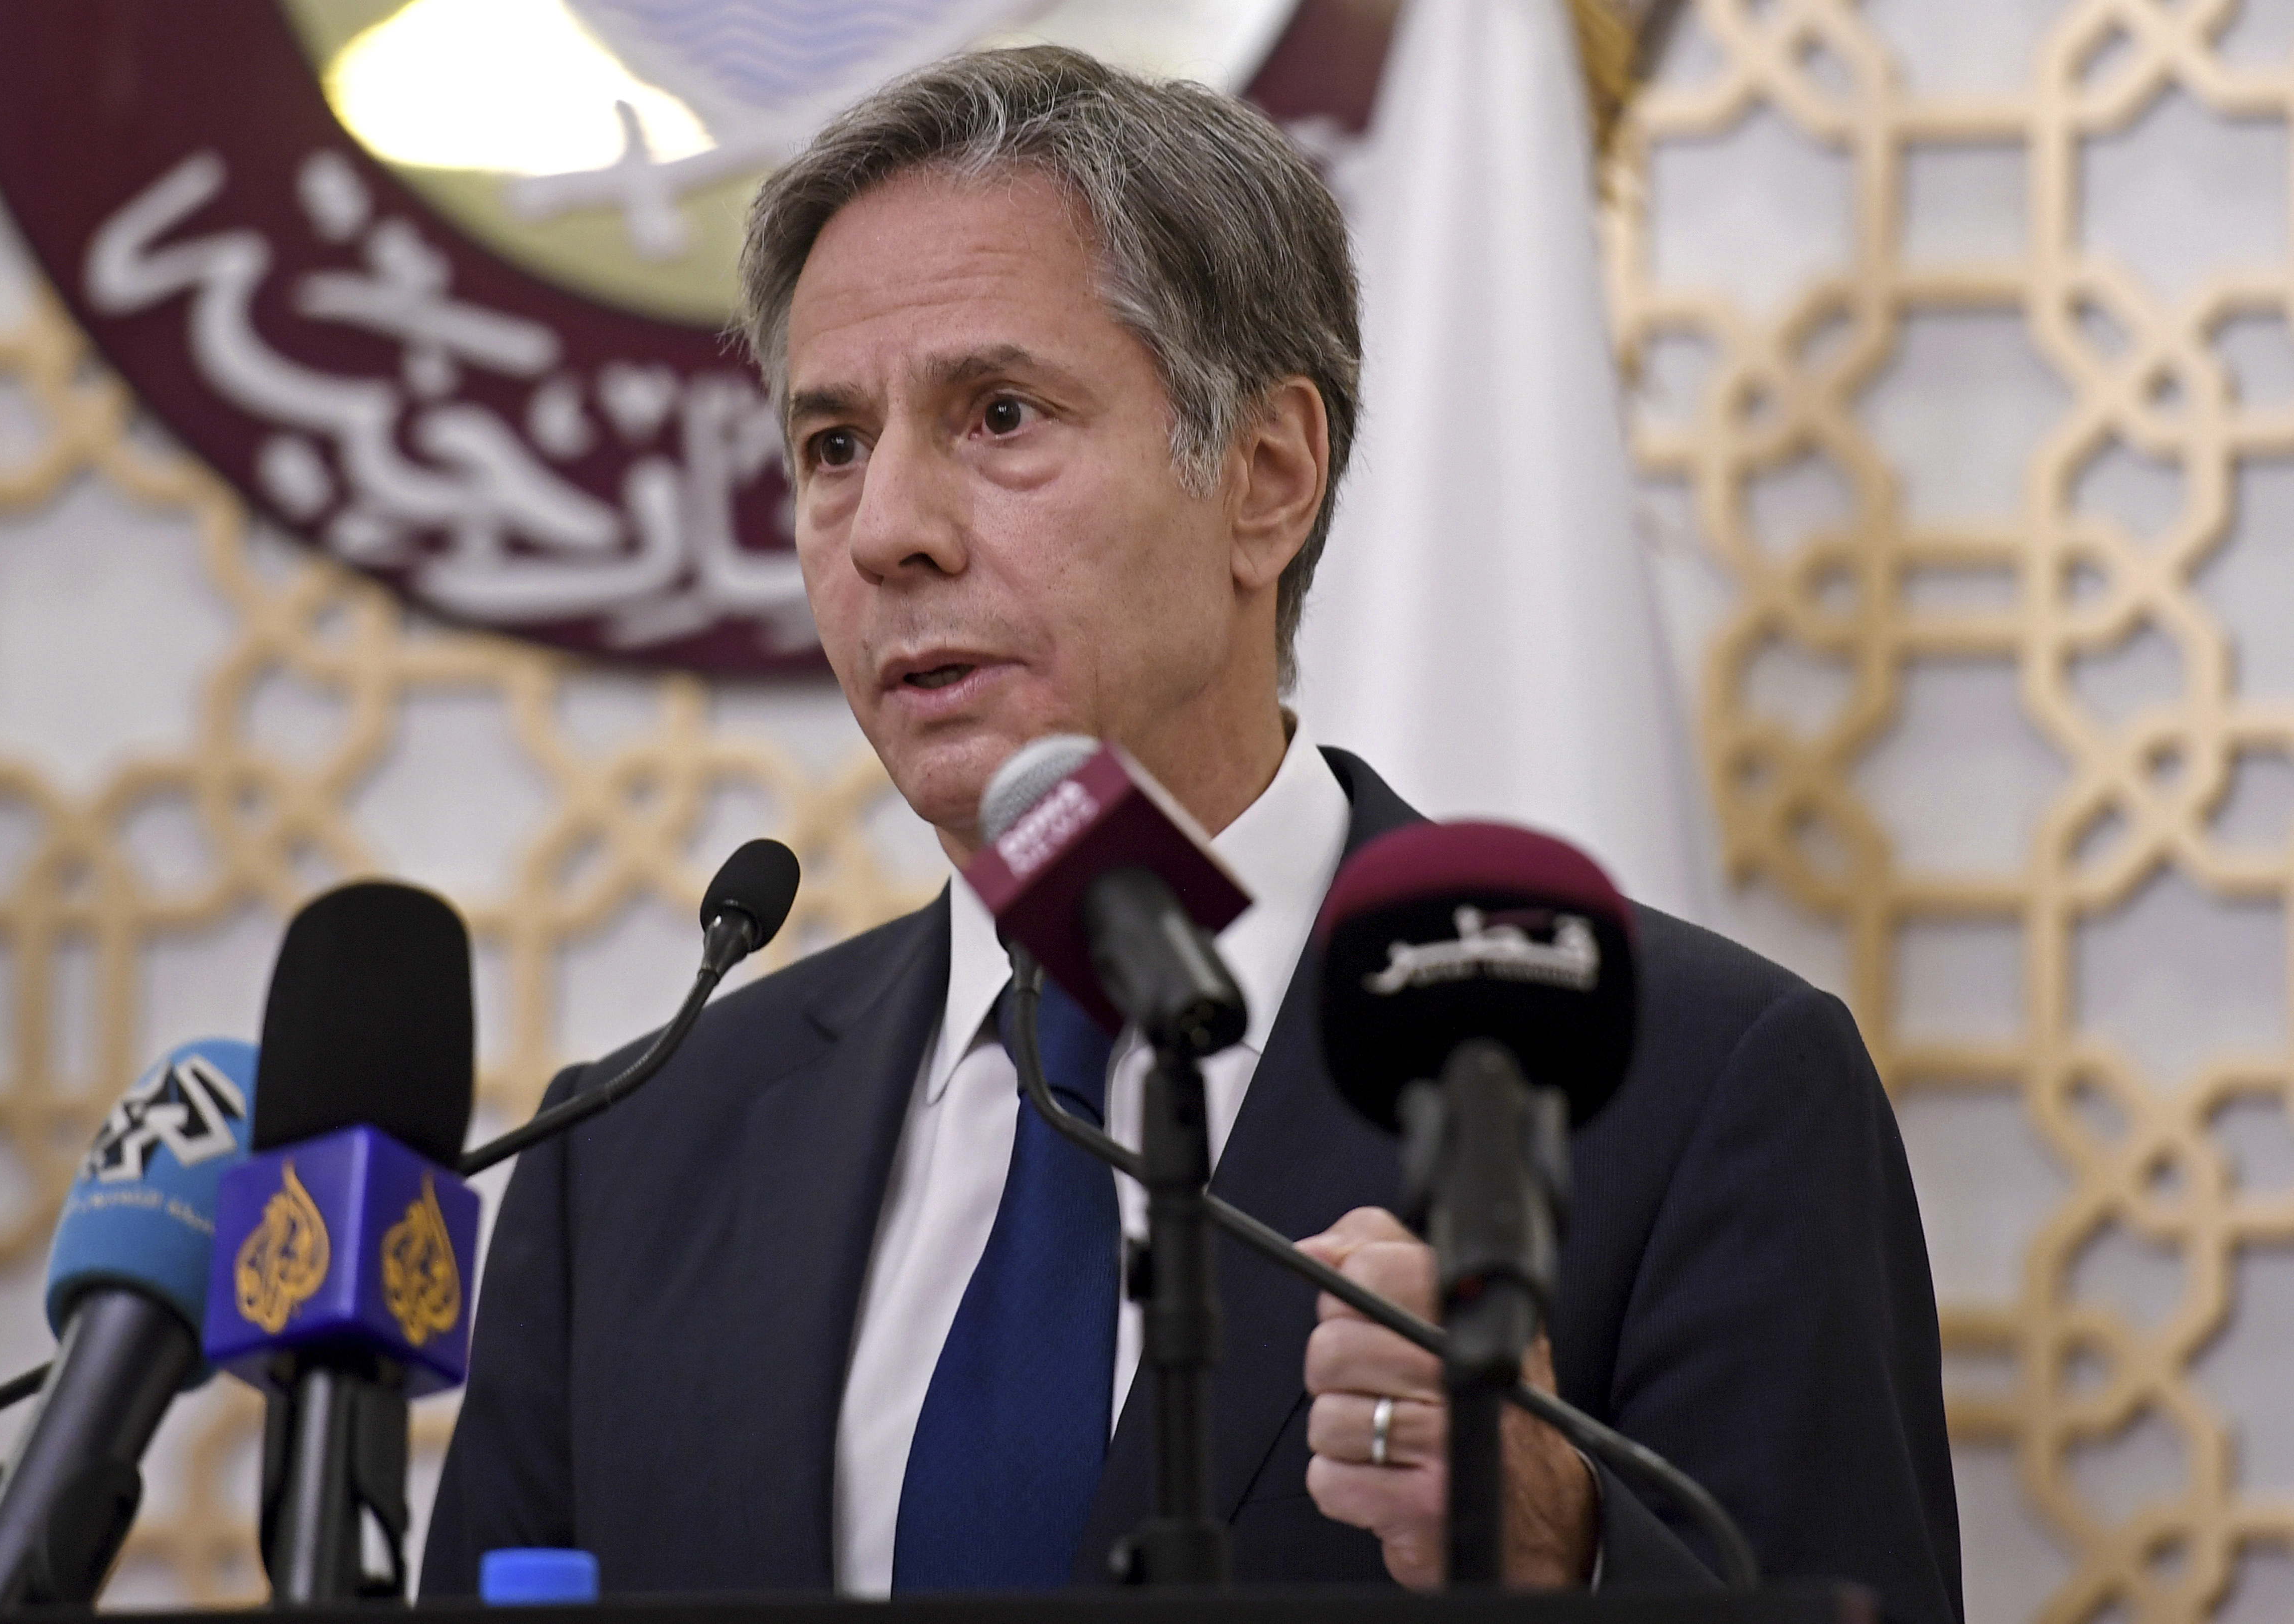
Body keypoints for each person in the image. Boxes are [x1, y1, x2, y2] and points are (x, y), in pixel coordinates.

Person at [422, 45, 1961, 1620]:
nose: (885, 529)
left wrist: (1561, 1558)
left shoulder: (1692, 1089)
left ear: (1268, 478)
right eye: (831, 448)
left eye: (1000, 415)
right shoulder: (633, 1163)